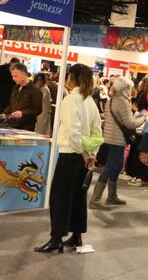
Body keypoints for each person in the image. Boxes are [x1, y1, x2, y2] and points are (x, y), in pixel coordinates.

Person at [34, 64, 102, 253]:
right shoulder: (90, 101)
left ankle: (56, 238)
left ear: (73, 78)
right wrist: (91, 155)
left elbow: (72, 132)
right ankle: (77, 236)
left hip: (71, 154)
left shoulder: (71, 100)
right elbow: (97, 130)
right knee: (78, 197)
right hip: (84, 157)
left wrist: (83, 153)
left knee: (60, 197)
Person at [90, 77, 147, 209]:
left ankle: (112, 196)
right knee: (111, 167)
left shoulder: (112, 100)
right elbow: (130, 123)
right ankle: (95, 199)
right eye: (129, 88)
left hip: (110, 138)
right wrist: (143, 119)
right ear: (124, 88)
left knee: (116, 166)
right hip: (117, 140)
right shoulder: (122, 102)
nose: (131, 90)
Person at [3, 63, 42, 131]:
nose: (13, 78)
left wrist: (22, 113)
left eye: (15, 76)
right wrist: (4, 113)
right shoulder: (15, 88)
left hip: (26, 128)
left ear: (23, 74)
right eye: (12, 76)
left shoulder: (35, 90)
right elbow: (11, 104)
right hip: (12, 125)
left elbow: (38, 109)